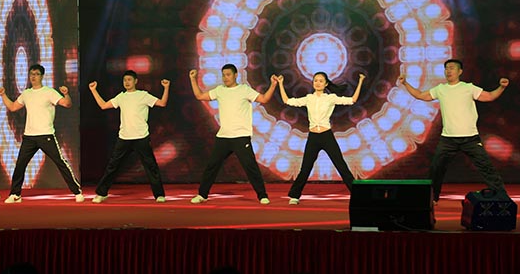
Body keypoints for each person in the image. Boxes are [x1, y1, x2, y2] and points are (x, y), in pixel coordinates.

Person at [398, 59, 508, 203]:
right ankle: (431, 199)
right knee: (436, 169)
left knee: (486, 168)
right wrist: (405, 83)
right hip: (448, 139)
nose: (448, 71)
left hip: (470, 138)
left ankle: (502, 198)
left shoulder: (468, 88)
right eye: (446, 68)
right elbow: (420, 95)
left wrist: (501, 87)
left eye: (451, 68)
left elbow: (490, 96)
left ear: (460, 71)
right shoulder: (440, 89)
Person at [189, 64, 277, 205]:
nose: (225, 78)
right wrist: (193, 79)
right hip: (223, 136)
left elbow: (264, 99)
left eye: (228, 75)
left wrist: (273, 85)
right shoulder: (219, 90)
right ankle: (202, 194)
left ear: (236, 75)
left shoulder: (244, 89)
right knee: (212, 166)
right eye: (223, 75)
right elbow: (200, 96)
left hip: (241, 136)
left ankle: (262, 196)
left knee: (250, 167)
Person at [0, 64, 82, 203]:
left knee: (60, 162)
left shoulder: (49, 92)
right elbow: (13, 107)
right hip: (29, 137)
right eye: (32, 74)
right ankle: (15, 194)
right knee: (20, 165)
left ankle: (77, 191)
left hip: (46, 135)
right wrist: (2, 94)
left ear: (42, 76)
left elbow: (67, 104)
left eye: (37, 74)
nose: (33, 77)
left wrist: (66, 94)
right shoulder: (26, 93)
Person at [277, 72, 365, 205]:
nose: (317, 83)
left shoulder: (330, 98)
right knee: (305, 168)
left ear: (326, 84)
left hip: (326, 136)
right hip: (313, 137)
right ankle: (295, 195)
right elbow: (287, 101)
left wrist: (361, 81)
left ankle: (358, 195)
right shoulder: (309, 98)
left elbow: (352, 100)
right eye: (315, 80)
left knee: (341, 165)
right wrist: (280, 83)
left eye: (321, 81)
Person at [88, 71, 170, 203]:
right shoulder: (121, 97)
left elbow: (162, 103)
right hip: (124, 137)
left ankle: (159, 195)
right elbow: (103, 105)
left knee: (151, 166)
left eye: (129, 80)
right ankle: (102, 193)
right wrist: (93, 90)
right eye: (125, 80)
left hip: (141, 136)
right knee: (113, 166)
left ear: (135, 81)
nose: (126, 82)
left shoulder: (143, 95)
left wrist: (166, 88)